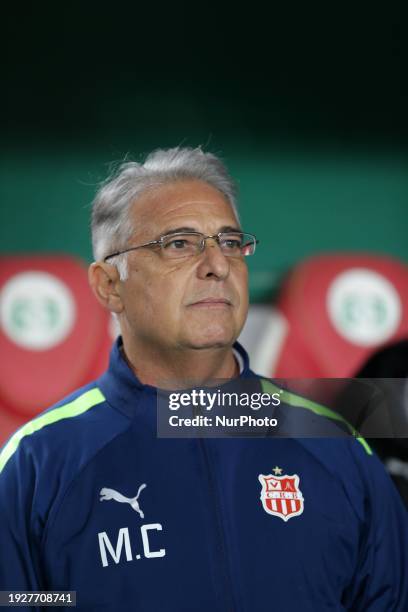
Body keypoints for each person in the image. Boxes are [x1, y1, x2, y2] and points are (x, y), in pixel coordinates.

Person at [0, 147, 407, 611]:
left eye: (230, 242)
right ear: (109, 285)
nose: (217, 264)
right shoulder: (39, 462)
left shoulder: (337, 447)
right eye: (179, 243)